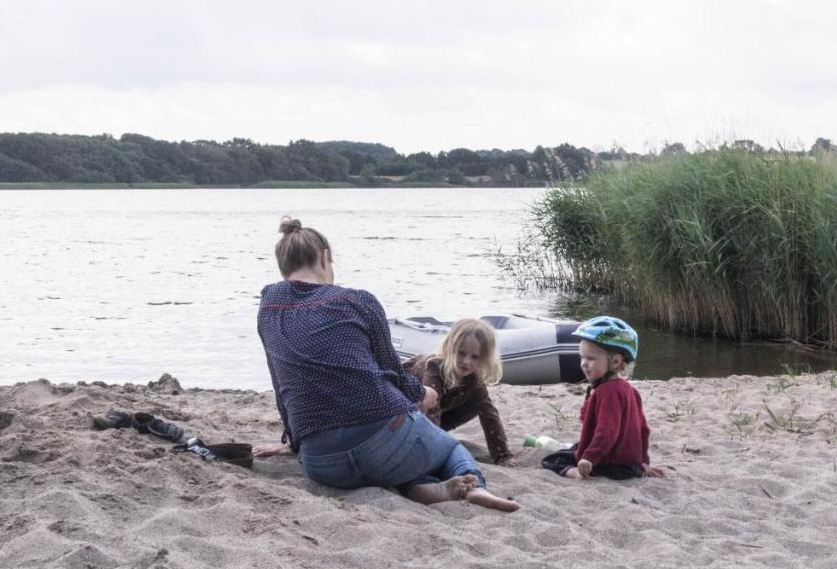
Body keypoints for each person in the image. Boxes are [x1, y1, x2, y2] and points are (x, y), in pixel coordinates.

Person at [252, 217, 519, 512]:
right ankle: (475, 488)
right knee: (448, 448)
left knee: (398, 460)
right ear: (325, 256)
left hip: (321, 462)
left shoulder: (268, 306)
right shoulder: (358, 301)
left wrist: (293, 440)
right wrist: (422, 393)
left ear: (283, 265)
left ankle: (422, 489)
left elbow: (281, 386)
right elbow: (391, 371)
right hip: (381, 438)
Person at [540, 315, 666, 480]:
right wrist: (643, 461)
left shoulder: (607, 392)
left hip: (609, 465)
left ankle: (577, 474)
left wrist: (589, 458)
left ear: (615, 361)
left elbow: (606, 433)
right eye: (582, 357)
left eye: (590, 358)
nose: (584, 363)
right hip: (631, 465)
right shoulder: (630, 390)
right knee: (573, 449)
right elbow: (643, 430)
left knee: (553, 460)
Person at [402, 318, 514, 465]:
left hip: (431, 415)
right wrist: (435, 451)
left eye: (474, 357)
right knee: (430, 403)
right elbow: (431, 409)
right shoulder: (435, 367)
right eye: (461, 353)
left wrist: (502, 455)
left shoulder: (474, 380)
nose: (466, 362)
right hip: (401, 408)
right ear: (450, 349)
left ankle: (436, 436)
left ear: (484, 359)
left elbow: (489, 416)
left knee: (481, 404)